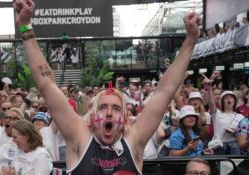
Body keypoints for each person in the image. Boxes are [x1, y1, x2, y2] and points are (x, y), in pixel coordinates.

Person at [14, 0, 201, 173]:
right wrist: (25, 25)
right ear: (91, 115)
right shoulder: (79, 137)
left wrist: (191, 40)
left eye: (116, 108)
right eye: (103, 107)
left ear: (126, 117)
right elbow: (45, 83)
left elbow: (165, 91)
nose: (110, 113)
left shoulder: (134, 140)